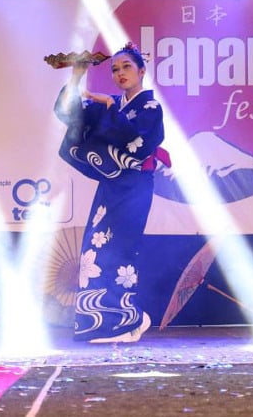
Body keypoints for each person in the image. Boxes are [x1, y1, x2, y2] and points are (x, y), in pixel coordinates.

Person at [54, 43, 166, 343]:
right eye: (115, 69)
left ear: (142, 71)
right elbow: (68, 113)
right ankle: (102, 323)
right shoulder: (110, 105)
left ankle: (128, 321)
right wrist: (77, 76)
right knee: (95, 250)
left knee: (121, 251)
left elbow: (139, 144)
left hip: (134, 187)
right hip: (111, 186)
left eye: (127, 67)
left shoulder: (150, 108)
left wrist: (111, 109)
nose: (120, 73)